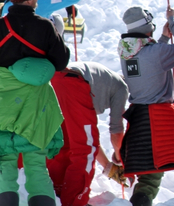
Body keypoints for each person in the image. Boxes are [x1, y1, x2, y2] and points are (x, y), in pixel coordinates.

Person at [0, 0, 70, 206]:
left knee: (5, 166)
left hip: (3, 106)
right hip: (36, 107)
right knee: (37, 168)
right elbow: (60, 63)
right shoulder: (45, 26)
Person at [118, 6, 174, 206]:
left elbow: (151, 59)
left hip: (138, 117)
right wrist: (173, 22)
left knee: (149, 175)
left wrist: (164, 39)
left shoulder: (127, 52)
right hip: (159, 118)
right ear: (148, 28)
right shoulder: (156, 53)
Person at [47, 62, 130, 206]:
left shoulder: (105, 79)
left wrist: (108, 167)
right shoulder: (122, 87)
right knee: (84, 150)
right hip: (74, 84)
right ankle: (74, 201)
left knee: (63, 144)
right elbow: (116, 131)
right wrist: (119, 159)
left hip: (53, 80)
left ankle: (57, 194)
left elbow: (85, 137)